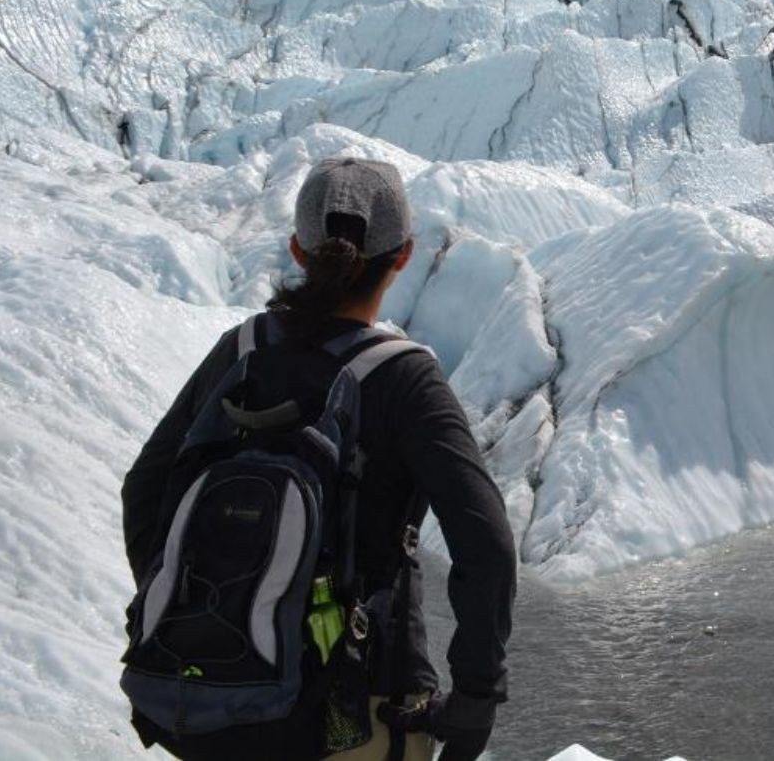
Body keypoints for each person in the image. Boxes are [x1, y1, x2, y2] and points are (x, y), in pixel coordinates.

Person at [122, 157, 517, 761]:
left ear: (298, 251)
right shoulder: (403, 377)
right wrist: (476, 696)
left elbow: (146, 489)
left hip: (212, 707)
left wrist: (200, 616)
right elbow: (484, 543)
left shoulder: (242, 349)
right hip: (355, 712)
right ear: (403, 256)